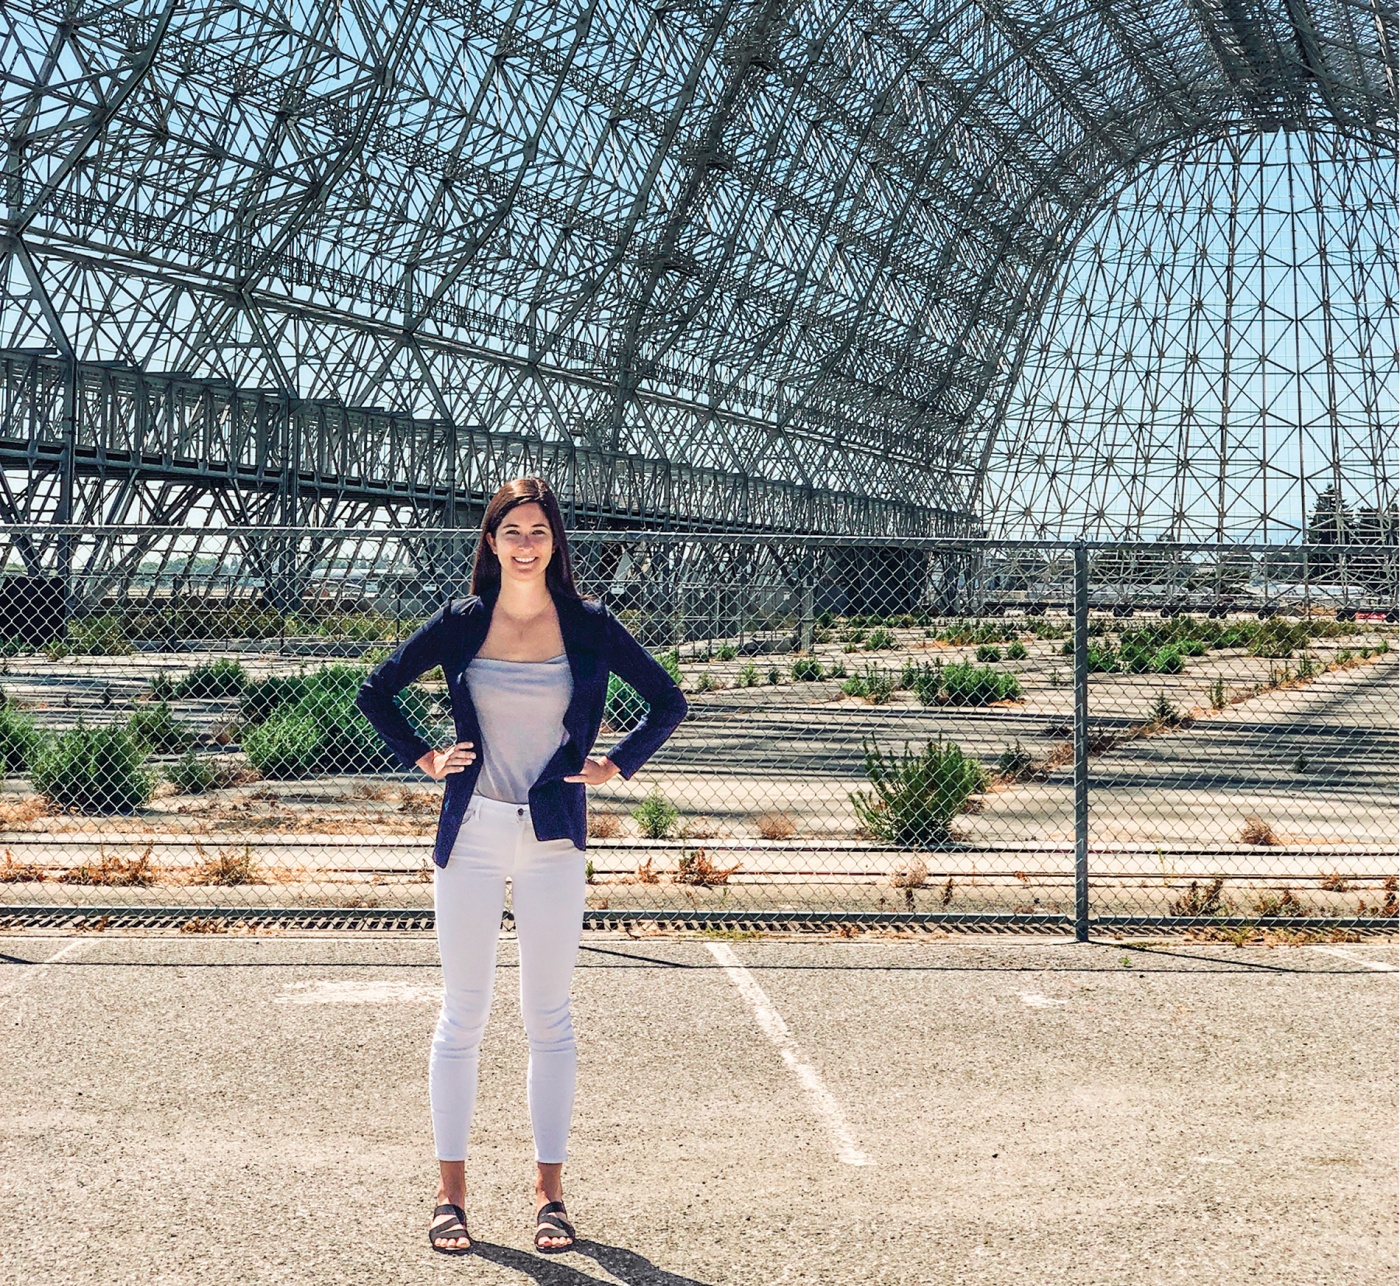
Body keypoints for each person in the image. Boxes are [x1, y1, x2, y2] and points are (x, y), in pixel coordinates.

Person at [355, 477, 687, 1257]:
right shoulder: (462, 623)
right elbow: (375, 691)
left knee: (549, 1018)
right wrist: (425, 757)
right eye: (513, 531)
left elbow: (666, 701)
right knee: (462, 1016)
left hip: (552, 839)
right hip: (470, 832)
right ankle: (450, 1196)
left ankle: (550, 1195)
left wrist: (617, 766)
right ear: (492, 542)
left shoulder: (591, 625)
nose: (527, 543)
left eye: (539, 530)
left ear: (555, 542)